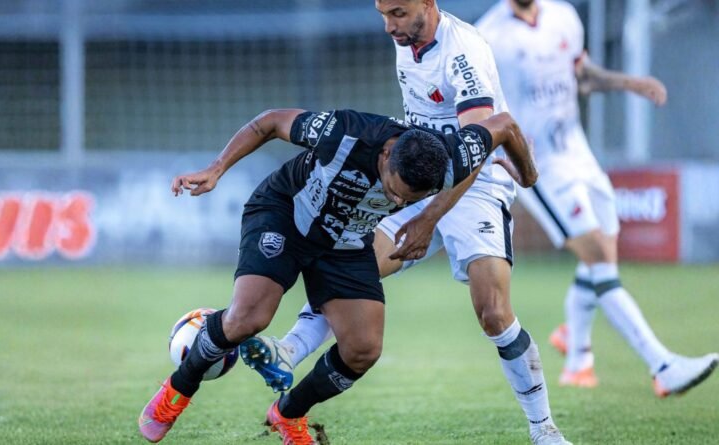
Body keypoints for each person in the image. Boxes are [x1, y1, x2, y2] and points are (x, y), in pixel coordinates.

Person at [238, 1, 573, 444]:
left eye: (397, 13)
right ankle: (289, 350)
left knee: (493, 312)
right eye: (382, 14)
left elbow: (473, 149)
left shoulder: (462, 53)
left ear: (428, 4)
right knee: (354, 264)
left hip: (471, 187)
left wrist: (430, 219)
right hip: (414, 176)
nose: (388, 26)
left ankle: (543, 428)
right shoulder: (408, 38)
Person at [137, 107, 538, 444]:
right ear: (387, 154)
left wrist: (529, 176)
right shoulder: (347, 132)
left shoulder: (449, 157)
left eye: (409, 200)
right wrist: (217, 168)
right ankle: (178, 388)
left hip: (346, 242)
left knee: (363, 348)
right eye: (395, 190)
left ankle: (288, 413)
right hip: (287, 215)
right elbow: (270, 122)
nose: (397, 201)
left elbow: (504, 125)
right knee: (248, 319)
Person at [475, 0, 717, 394]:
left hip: (579, 154)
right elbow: (479, 111)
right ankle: (663, 364)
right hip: (538, 167)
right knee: (600, 261)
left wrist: (631, 83)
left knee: (605, 250)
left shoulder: (563, 16)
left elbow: (581, 77)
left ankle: (577, 358)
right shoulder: (488, 36)